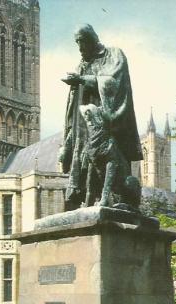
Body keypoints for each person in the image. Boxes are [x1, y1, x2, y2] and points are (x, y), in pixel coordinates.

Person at [59, 24, 142, 209]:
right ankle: (86, 200)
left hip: (108, 124)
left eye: (82, 42)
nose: (79, 48)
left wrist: (82, 80)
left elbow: (113, 83)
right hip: (84, 126)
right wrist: (67, 141)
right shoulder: (82, 64)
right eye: (76, 43)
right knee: (84, 163)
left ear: (92, 39)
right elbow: (74, 104)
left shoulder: (114, 55)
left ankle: (115, 198)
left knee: (110, 162)